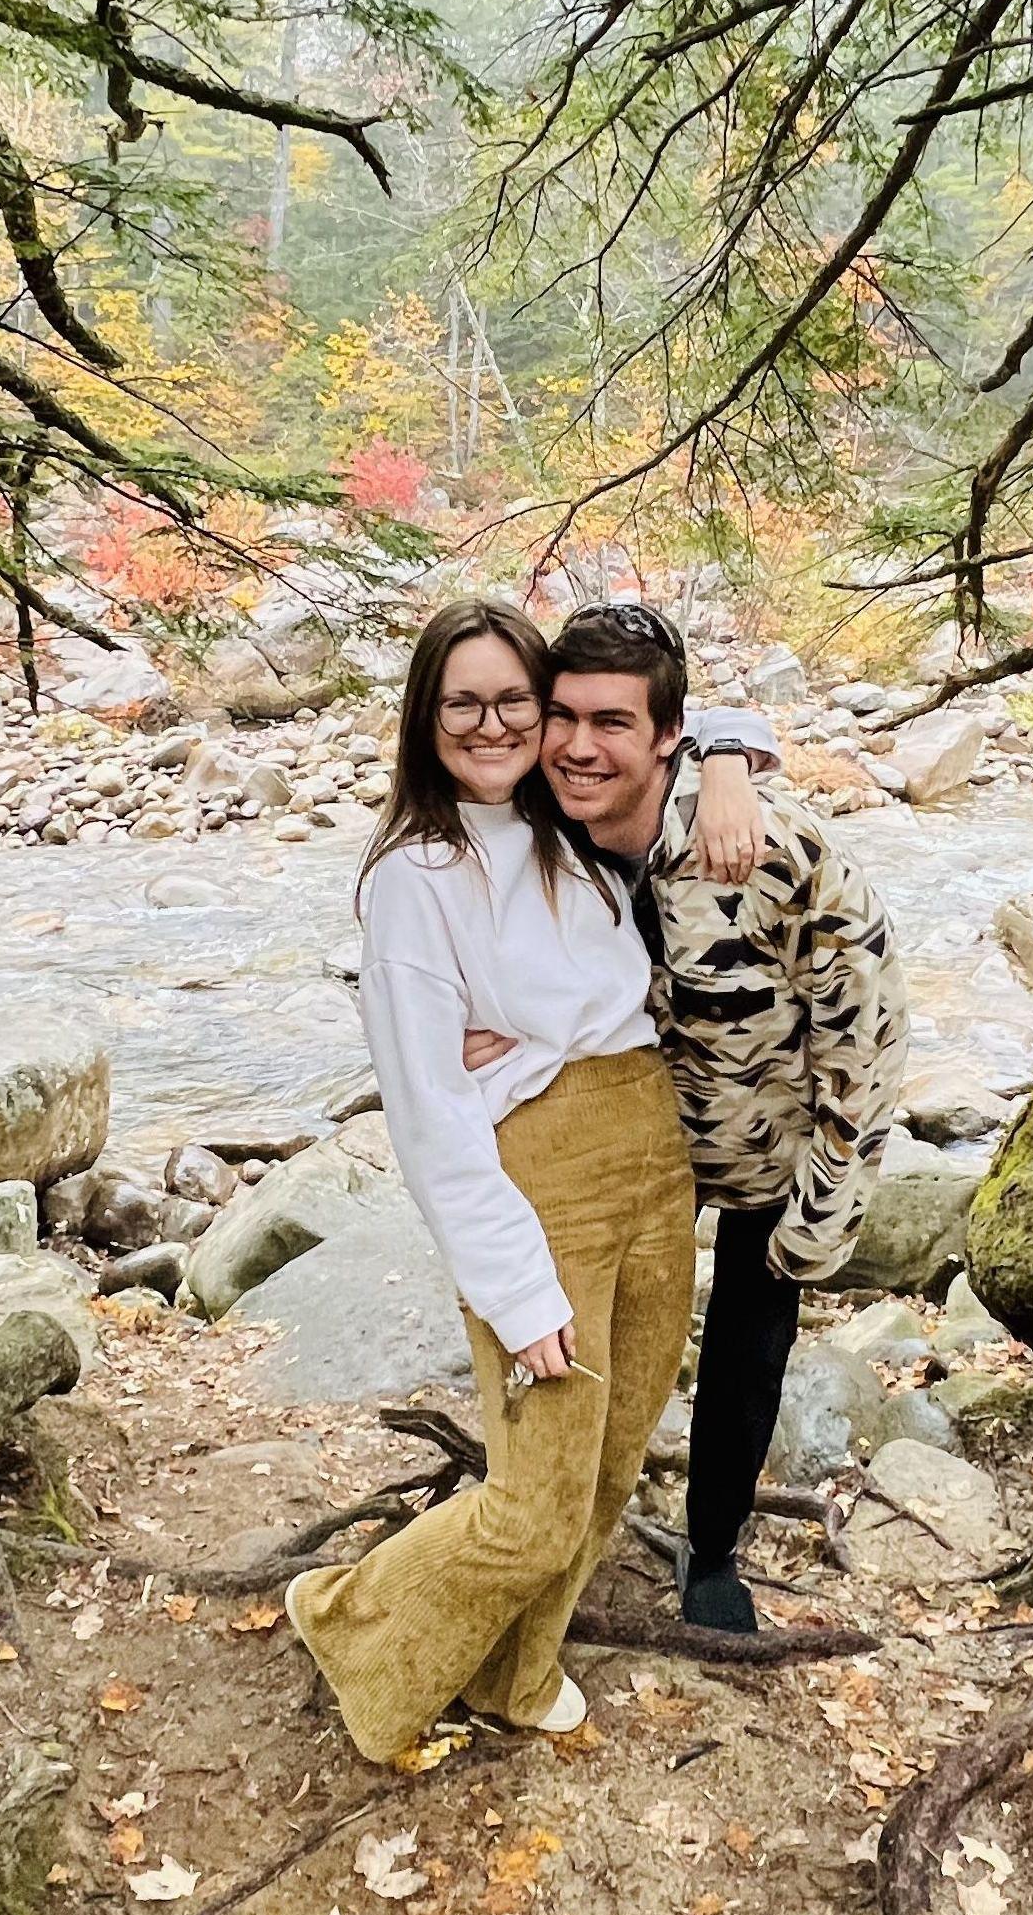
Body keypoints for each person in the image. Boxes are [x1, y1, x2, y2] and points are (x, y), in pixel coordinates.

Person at [284, 598, 726, 1760]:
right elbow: (428, 1111)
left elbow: (599, 1001)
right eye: (461, 701)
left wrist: (732, 760)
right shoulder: (412, 880)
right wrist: (519, 1291)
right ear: (425, 718)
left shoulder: (563, 834)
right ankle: (343, 1617)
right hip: (545, 1191)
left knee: (610, 1464)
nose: (490, 724)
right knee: (533, 1505)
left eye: (511, 701)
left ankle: (518, 1676)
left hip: (652, 1164)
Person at [533, 603, 909, 1635]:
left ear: (667, 736)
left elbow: (863, 1025)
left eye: (612, 722)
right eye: (562, 717)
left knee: (748, 1350)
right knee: (583, 1330)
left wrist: (823, 1211)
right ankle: (550, 1518)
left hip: (767, 1149)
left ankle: (713, 1551)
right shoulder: (541, 826)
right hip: (628, 1148)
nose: (577, 745)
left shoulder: (768, 851)